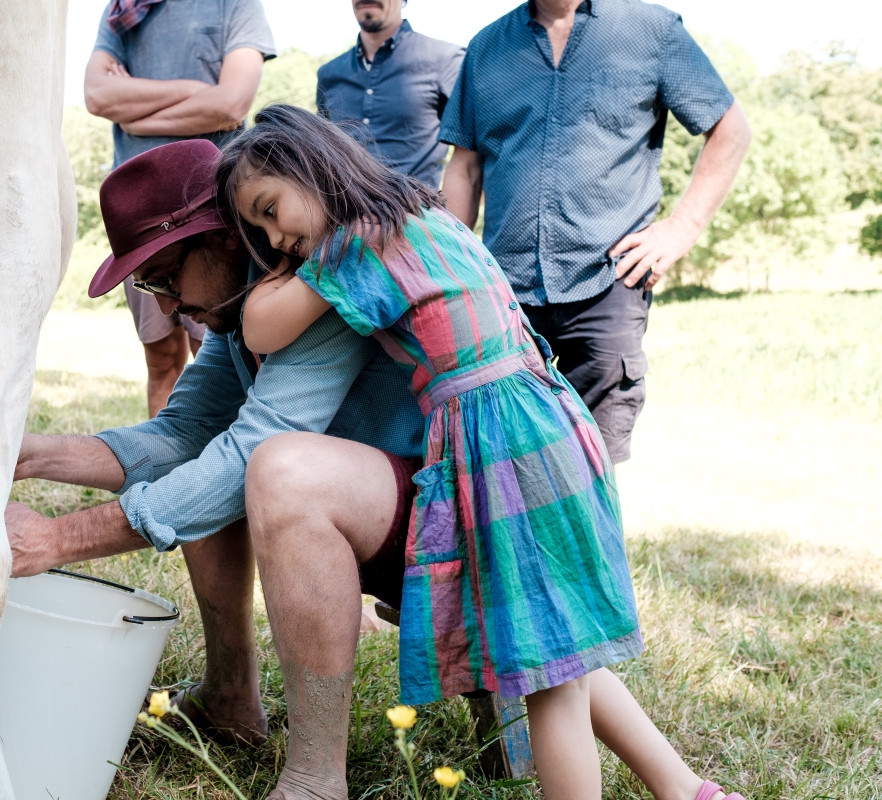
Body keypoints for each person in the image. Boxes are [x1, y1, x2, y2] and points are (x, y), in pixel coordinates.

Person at [221, 104, 747, 800]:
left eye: (270, 209)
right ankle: (686, 790)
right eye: (258, 231)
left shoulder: (357, 245)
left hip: (502, 439)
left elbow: (259, 330)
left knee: (548, 684)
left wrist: (284, 270)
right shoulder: (421, 212)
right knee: (561, 649)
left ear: (311, 167)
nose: (275, 237)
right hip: (547, 420)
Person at [6, 139, 436, 797]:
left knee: (278, 473)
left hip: (465, 530)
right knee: (211, 472)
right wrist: (29, 455)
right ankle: (229, 700)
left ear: (224, 242)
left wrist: (58, 540)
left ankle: (316, 780)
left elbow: (244, 461)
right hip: (395, 515)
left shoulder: (318, 292)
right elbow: (181, 438)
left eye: (163, 278)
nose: (170, 308)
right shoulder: (241, 315)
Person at [440, 0, 751, 468]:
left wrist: (680, 230)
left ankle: (593, 542)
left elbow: (731, 129)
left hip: (609, 281)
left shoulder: (651, 31)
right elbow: (464, 167)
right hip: (506, 289)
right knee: (507, 457)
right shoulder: (487, 47)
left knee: (593, 461)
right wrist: (450, 269)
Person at [84, 0, 275, 417]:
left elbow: (231, 104)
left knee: (218, 360)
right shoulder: (123, 10)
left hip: (205, 223)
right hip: (139, 231)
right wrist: (194, 91)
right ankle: (163, 463)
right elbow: (97, 95)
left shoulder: (236, 5)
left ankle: (225, 470)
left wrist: (135, 115)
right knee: (160, 362)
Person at [316, 0, 463, 188]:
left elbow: (471, 158)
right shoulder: (328, 74)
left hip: (414, 212)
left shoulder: (447, 60)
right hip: (342, 214)